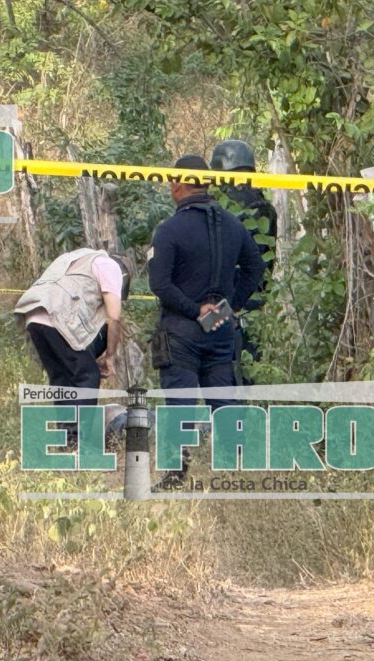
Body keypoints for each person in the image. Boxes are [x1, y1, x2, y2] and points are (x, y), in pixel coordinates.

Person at [149, 155, 265, 487]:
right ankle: (232, 474)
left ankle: (176, 476)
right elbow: (255, 268)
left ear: (177, 185)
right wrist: (226, 309)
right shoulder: (233, 224)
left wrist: (192, 310)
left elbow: (160, 285)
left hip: (181, 332)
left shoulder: (169, 230)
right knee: (224, 401)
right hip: (220, 329)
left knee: (179, 404)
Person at [14, 247, 131, 442]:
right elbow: (114, 317)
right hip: (58, 316)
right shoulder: (110, 266)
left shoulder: (75, 257)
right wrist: (110, 356)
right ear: (124, 273)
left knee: (62, 379)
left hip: (33, 316)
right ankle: (80, 442)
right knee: (87, 375)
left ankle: (67, 440)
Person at [210, 139, 278, 381]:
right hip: (254, 301)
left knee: (216, 368)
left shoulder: (218, 207)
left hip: (219, 304)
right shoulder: (266, 206)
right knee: (248, 367)